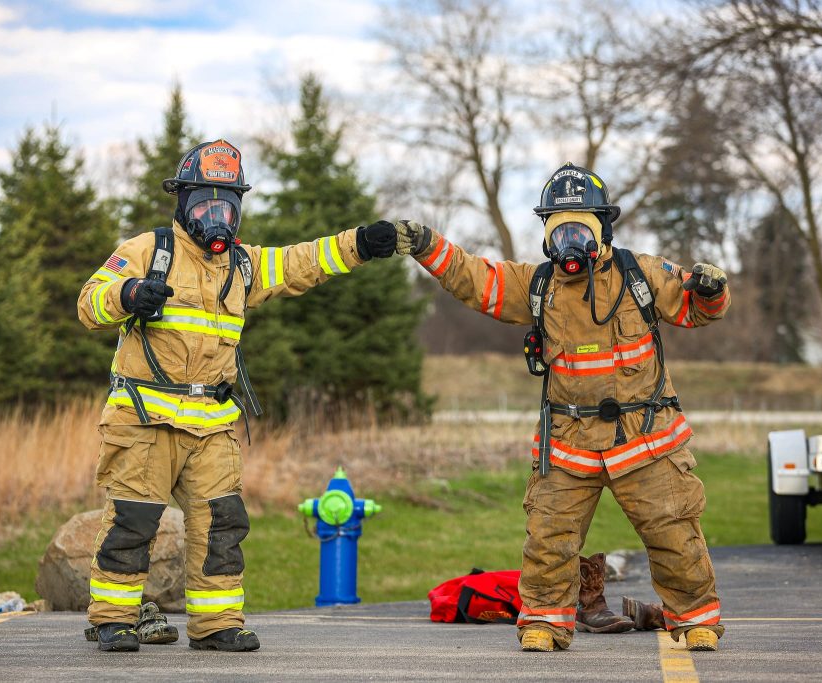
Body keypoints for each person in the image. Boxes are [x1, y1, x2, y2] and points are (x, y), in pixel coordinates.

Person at [393, 163, 728, 653]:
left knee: (674, 533)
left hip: (647, 439)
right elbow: (474, 278)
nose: (569, 239)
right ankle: (546, 624)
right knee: (550, 540)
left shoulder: (643, 275)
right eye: (559, 229)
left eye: (580, 228)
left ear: (603, 229)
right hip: (569, 444)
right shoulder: (537, 287)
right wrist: (426, 245)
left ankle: (696, 621)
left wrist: (712, 290)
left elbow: (696, 310)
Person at [77, 139, 397, 652]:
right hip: (143, 418)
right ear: (183, 203)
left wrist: (359, 243)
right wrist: (129, 294)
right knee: (133, 523)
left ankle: (215, 624)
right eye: (205, 202)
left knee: (221, 525)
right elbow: (89, 304)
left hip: (213, 423)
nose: (216, 214)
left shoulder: (242, 267)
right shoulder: (147, 251)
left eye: (226, 204)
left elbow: (300, 262)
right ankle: (113, 619)